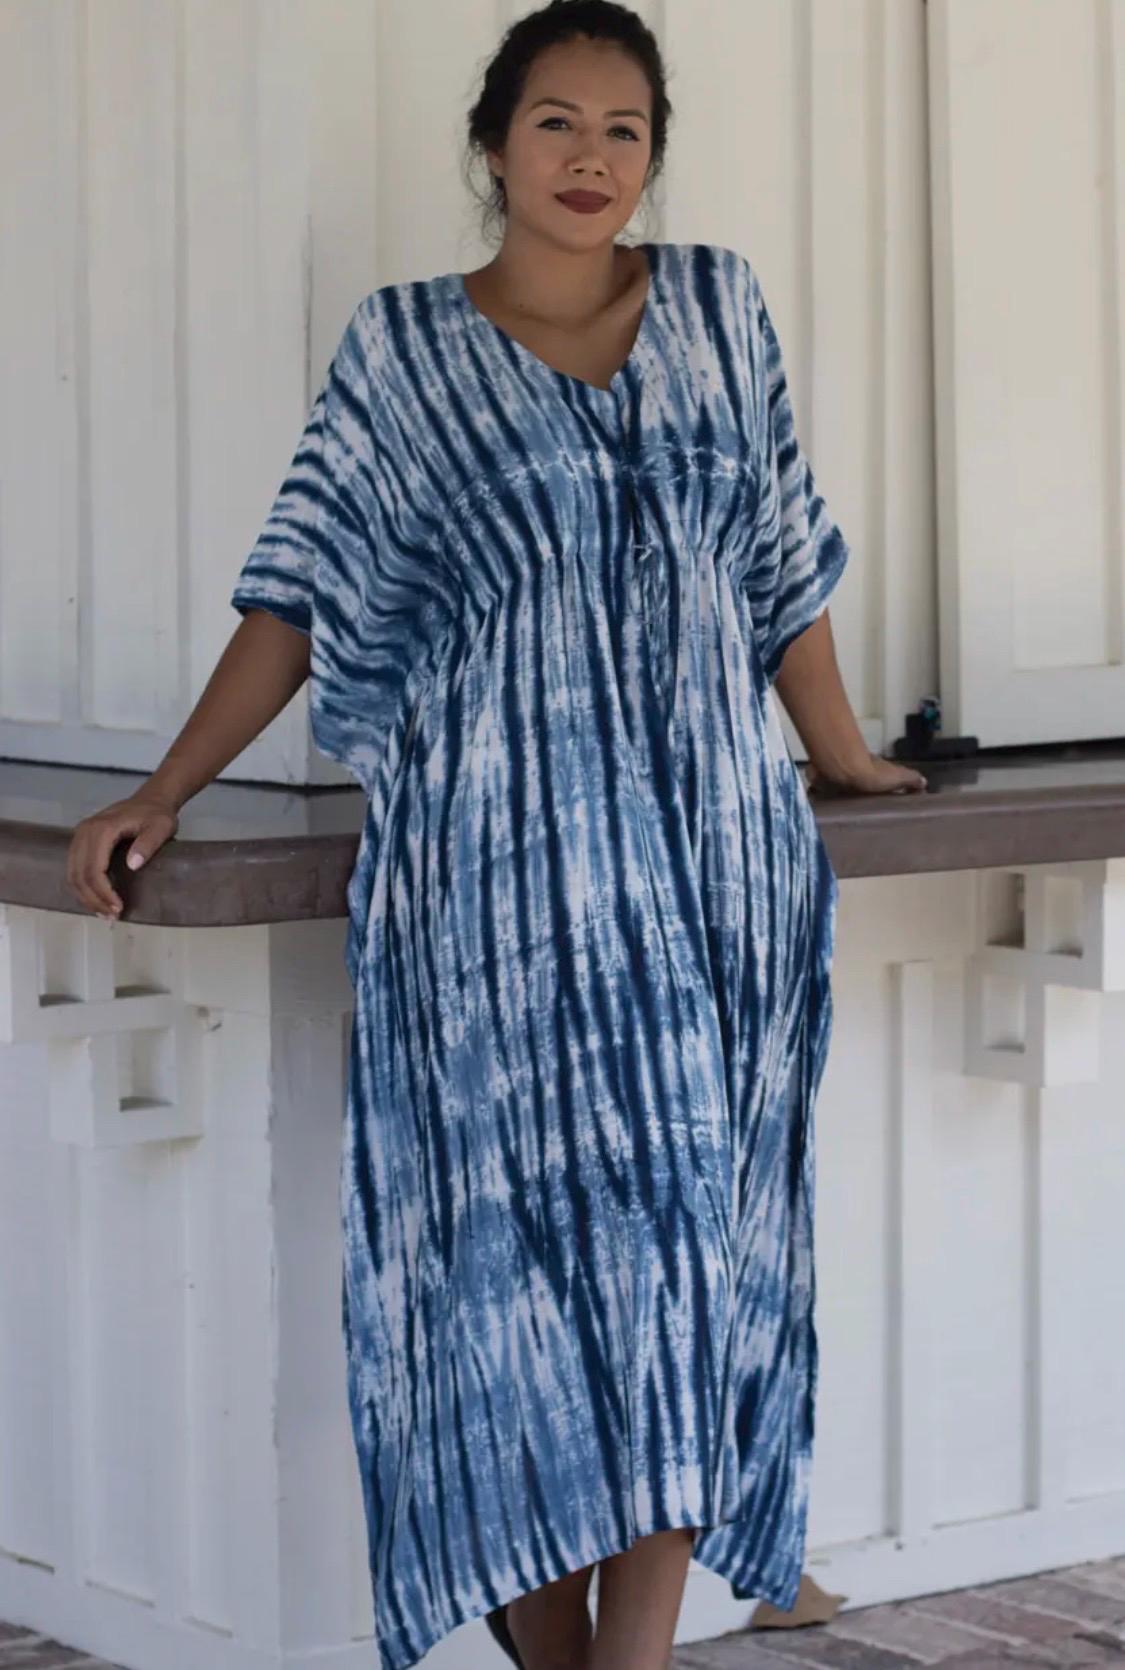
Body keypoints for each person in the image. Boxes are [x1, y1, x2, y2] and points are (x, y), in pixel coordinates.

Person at [66, 2, 928, 1666]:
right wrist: (165, 787)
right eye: (555, 122)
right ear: (492, 144)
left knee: (687, 1272)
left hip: (712, 876)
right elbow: (301, 591)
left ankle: (634, 1655)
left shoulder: (718, 308)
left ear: (652, 153)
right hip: (492, 888)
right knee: (504, 1296)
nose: (590, 157)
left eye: (623, 129)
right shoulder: (402, 351)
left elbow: (777, 558)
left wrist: (837, 754)